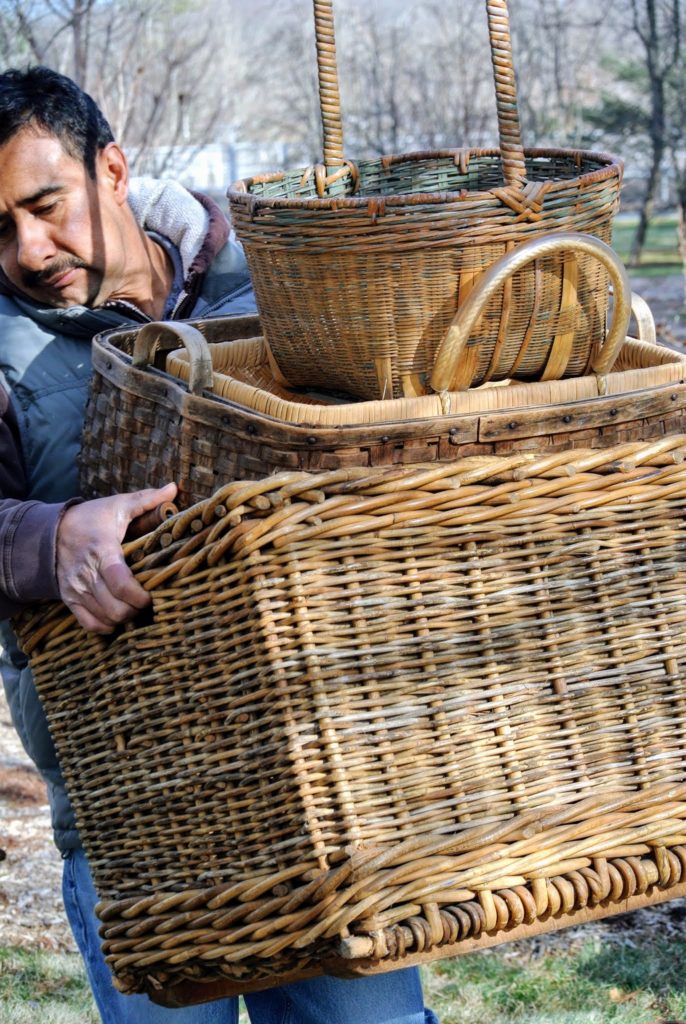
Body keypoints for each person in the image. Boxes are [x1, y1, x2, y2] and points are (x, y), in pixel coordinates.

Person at [0, 66, 439, 1024]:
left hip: (330, 797)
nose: (29, 251)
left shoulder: (270, 274)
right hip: (134, 817)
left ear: (111, 168)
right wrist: (48, 535)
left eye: (44, 205)